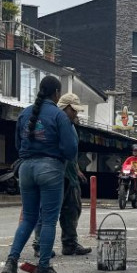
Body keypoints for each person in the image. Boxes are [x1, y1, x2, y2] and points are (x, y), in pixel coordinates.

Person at [1, 75, 77, 273]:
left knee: (28, 218)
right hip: (50, 169)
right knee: (49, 220)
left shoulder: (24, 114)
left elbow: (18, 144)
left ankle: (11, 261)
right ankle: (43, 268)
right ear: (57, 94)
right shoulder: (59, 116)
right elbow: (71, 150)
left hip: (26, 169)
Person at [31, 92, 91, 257]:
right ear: (65, 108)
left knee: (72, 209)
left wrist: (77, 169)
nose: (76, 114)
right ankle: (39, 245)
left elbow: (71, 150)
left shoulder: (70, 124)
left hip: (70, 175)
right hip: (56, 173)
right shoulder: (55, 122)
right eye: (73, 110)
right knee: (48, 212)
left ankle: (70, 243)